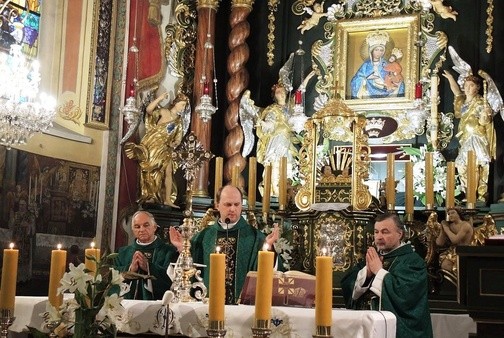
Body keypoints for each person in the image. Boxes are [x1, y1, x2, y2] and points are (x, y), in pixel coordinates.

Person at [169, 185, 280, 304]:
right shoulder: (203, 237)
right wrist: (182, 249)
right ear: (217, 205)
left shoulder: (255, 237)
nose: (233, 209)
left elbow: (267, 275)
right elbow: (185, 274)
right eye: (228, 204)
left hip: (242, 310)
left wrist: (268, 248)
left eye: (237, 204)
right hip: (208, 306)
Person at [341, 213, 433, 338]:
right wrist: (367, 274)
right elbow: (348, 284)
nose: (378, 237)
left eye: (385, 232)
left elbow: (406, 296)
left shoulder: (413, 262)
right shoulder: (373, 259)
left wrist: (378, 271)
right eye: (376, 232)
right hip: (367, 329)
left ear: (400, 234)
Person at [124, 92, 190, 207]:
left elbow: (178, 139)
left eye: (184, 106)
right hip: (153, 144)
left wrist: (174, 144)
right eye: (182, 105)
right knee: (151, 170)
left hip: (166, 148)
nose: (183, 108)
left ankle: (167, 199)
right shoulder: (164, 112)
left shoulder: (179, 121)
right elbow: (149, 110)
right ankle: (150, 195)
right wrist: (160, 98)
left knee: (168, 172)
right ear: (176, 103)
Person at [442, 71, 496, 202]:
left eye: (471, 85)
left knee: (476, 164)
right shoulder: (462, 102)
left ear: (477, 88)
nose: (467, 88)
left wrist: (485, 115)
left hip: (477, 137)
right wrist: (450, 78)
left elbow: (485, 122)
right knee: (461, 166)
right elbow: (456, 91)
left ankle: (477, 195)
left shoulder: (480, 102)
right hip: (465, 138)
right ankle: (468, 193)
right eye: (466, 85)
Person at [114, 210, 178, 300]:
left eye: (146, 225)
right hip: (127, 307)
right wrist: (130, 269)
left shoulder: (169, 252)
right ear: (133, 230)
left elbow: (172, 282)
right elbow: (112, 279)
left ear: (154, 227)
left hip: (158, 307)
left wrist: (148, 267)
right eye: (137, 227)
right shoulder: (122, 253)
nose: (142, 230)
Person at [256, 83, 298, 198]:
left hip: (287, 142)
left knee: (288, 167)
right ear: (275, 96)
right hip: (276, 141)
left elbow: (300, 92)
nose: (281, 93)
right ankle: (274, 194)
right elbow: (270, 124)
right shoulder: (272, 109)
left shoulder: (291, 106)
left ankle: (286, 194)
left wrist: (310, 76)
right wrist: (263, 123)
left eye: (283, 91)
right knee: (274, 166)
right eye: (278, 92)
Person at [350, 30, 394, 99]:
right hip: (369, 89)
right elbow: (356, 80)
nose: (379, 53)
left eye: (381, 50)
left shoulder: (385, 63)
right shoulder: (366, 65)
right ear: (371, 51)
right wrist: (366, 78)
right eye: (376, 50)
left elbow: (391, 76)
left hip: (385, 88)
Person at [435, 207, 473, 273]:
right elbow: (439, 243)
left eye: (453, 213)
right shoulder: (450, 226)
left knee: (459, 268)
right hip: (454, 252)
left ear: (459, 214)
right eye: (449, 214)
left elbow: (455, 240)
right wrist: (442, 229)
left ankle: (461, 278)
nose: (450, 215)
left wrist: (446, 229)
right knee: (444, 265)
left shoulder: (465, 225)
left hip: (465, 251)